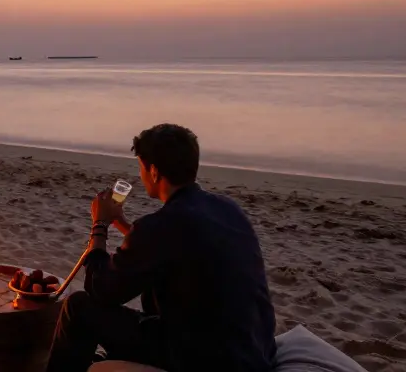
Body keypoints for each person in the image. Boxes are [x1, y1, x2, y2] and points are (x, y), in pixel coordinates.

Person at [46, 124, 276, 372]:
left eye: (141, 167)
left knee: (78, 308)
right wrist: (122, 224)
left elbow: (101, 289)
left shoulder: (162, 225)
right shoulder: (228, 208)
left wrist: (100, 225)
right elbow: (171, 248)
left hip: (207, 358)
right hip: (254, 349)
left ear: (154, 171)